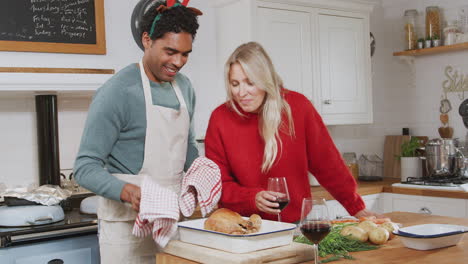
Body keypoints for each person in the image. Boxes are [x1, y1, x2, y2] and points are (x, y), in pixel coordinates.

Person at [74, 1, 202, 263]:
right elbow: (85, 167)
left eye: (186, 54)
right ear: (147, 40)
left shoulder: (185, 88)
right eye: (170, 51)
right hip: (125, 231)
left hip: (171, 223)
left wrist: (200, 174)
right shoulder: (117, 92)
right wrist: (129, 191)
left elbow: (187, 146)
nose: (178, 62)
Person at [205, 42, 380, 223]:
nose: (242, 92)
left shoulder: (298, 107)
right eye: (235, 84)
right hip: (241, 225)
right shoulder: (220, 119)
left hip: (294, 225)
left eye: (250, 83)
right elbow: (218, 185)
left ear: (265, 80)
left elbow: (328, 164)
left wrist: (356, 207)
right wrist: (251, 198)